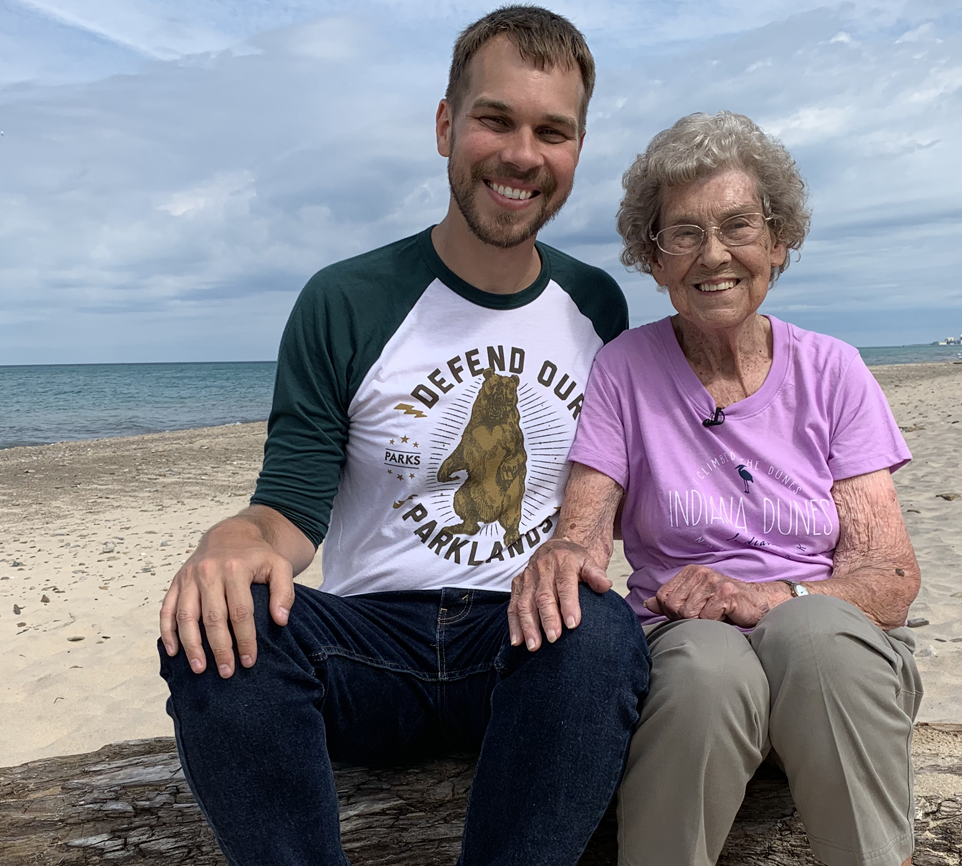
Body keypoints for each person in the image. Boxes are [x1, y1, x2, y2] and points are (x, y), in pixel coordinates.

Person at [156, 9, 650, 865]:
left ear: (576, 149)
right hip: (368, 646)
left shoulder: (597, 307)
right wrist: (230, 542)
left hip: (524, 643)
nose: (521, 154)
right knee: (216, 628)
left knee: (602, 632)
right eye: (496, 118)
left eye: (552, 131)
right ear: (445, 125)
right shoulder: (346, 299)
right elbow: (287, 512)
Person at [511, 111, 923, 866]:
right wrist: (561, 555)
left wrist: (768, 598)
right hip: (686, 652)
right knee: (705, 664)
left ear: (778, 242)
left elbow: (891, 580)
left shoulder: (833, 371)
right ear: (655, 257)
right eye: (685, 233)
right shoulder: (624, 371)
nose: (714, 255)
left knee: (812, 635)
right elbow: (585, 531)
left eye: (738, 226)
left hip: (831, 662)